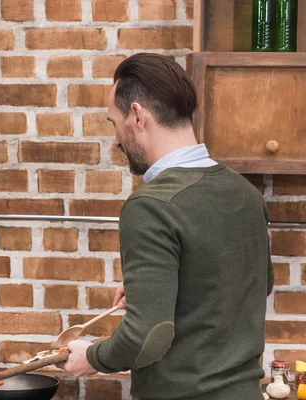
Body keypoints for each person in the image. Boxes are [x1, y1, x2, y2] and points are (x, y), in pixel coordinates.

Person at [60, 53, 274, 399]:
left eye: (113, 123)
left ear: (137, 116)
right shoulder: (246, 193)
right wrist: (162, 287)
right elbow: (251, 286)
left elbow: (146, 336)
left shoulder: (151, 206)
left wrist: (94, 356)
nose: (115, 140)